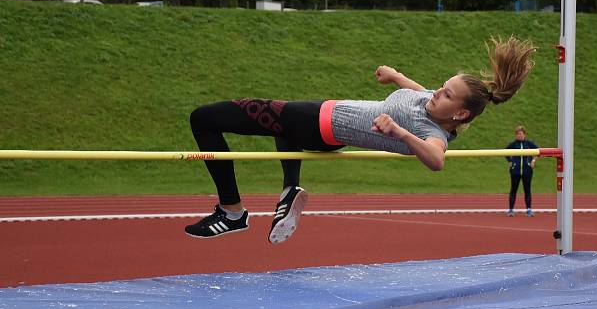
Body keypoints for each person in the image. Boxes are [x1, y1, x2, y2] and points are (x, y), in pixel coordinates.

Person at [185, 36, 535, 243]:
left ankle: (232, 211)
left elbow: (436, 160)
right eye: (443, 87)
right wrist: (396, 76)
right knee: (282, 125)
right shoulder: (431, 105)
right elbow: (417, 92)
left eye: (446, 95)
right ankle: (288, 190)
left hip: (321, 123)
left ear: (459, 115)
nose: (437, 93)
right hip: (323, 121)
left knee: (204, 119)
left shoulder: (435, 132)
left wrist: (398, 132)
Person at [505, 126, 538, 217]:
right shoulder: (513, 144)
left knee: (527, 190)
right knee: (513, 190)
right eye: (517, 134)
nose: (518, 135)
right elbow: (505, 152)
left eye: (520, 134)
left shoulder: (529, 143)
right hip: (515, 171)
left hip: (527, 171)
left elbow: (538, 152)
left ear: (524, 134)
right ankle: (511, 210)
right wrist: (510, 161)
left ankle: (529, 209)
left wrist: (533, 161)